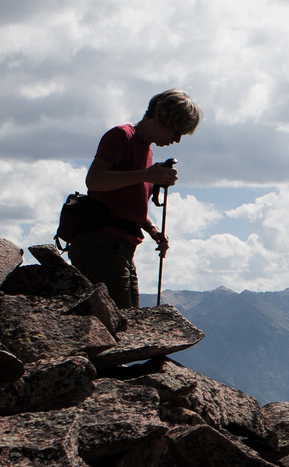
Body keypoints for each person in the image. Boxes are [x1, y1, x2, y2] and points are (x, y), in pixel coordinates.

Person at [68, 88, 201, 309]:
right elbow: (94, 180)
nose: (176, 140)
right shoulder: (122, 136)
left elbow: (127, 205)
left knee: (129, 317)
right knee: (122, 319)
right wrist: (147, 175)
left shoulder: (146, 151)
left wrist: (153, 230)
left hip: (120, 247)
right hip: (101, 243)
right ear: (160, 117)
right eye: (176, 131)